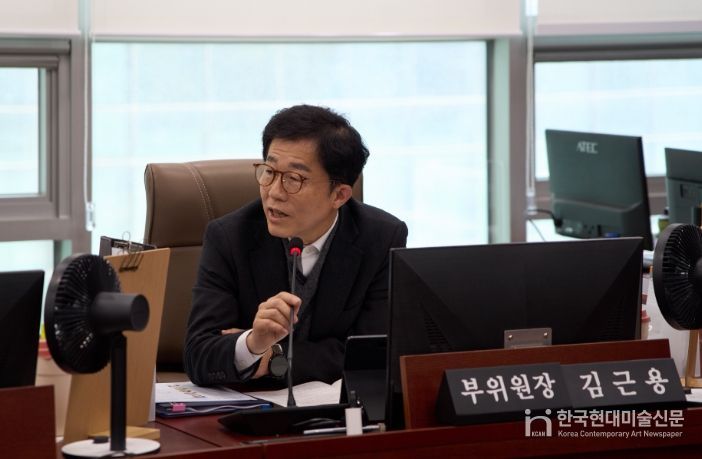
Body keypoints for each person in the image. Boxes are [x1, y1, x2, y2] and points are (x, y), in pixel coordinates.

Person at [184, 104, 408, 387]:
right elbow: (198, 354)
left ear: (339, 195)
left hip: (338, 409)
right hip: (250, 409)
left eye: (294, 179)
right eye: (269, 171)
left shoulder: (381, 237)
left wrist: (273, 357)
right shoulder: (229, 237)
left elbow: (374, 354)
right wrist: (253, 343)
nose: (274, 192)